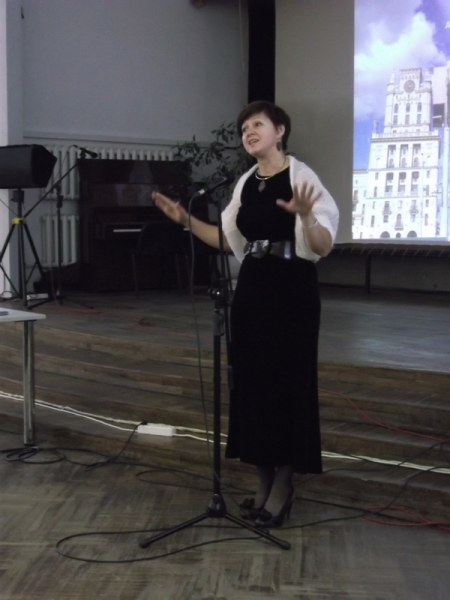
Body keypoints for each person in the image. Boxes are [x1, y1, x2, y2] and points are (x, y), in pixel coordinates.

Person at [152, 100, 339, 528]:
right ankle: (262, 480)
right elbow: (226, 239)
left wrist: (307, 216)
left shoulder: (301, 176)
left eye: (257, 124)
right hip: (253, 291)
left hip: (292, 290)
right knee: (253, 385)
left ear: (280, 131)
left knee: (287, 386)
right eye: (243, 129)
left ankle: (284, 486)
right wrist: (184, 219)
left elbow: (323, 245)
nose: (248, 132)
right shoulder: (246, 182)